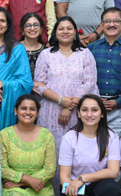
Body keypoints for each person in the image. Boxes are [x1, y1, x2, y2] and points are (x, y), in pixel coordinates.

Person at [59, 95, 121, 196]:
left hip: (97, 185)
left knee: (113, 189)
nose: (89, 114)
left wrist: (83, 178)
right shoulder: (70, 137)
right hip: (73, 187)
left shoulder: (111, 136)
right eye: (85, 110)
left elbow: (113, 172)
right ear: (79, 113)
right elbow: (64, 177)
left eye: (94, 110)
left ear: (102, 114)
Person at [33, 16, 98, 154]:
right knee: (51, 149)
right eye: (61, 29)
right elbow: (39, 84)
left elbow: (90, 82)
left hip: (79, 110)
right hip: (50, 109)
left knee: (77, 149)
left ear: (75, 32)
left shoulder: (85, 54)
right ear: (55, 33)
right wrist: (61, 100)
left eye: (69, 28)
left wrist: (69, 107)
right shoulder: (46, 54)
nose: (65, 31)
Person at [0, 94, 58, 196]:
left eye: (32, 109)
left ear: (37, 113)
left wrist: (24, 183)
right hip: (13, 187)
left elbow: (50, 169)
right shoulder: (5, 135)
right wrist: (24, 179)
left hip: (40, 186)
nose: (28, 112)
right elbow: (2, 167)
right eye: (23, 108)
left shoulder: (46, 135)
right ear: (16, 111)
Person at [88, 7, 121, 134]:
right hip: (93, 106)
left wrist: (118, 102)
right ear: (102, 25)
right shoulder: (91, 48)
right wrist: (95, 99)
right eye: (107, 21)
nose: (111, 24)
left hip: (120, 108)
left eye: (116, 21)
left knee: (116, 143)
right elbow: (86, 78)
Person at [19, 12, 46, 79]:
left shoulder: (46, 52)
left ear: (41, 29)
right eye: (28, 25)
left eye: (36, 25)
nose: (32, 28)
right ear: (22, 30)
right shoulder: (14, 49)